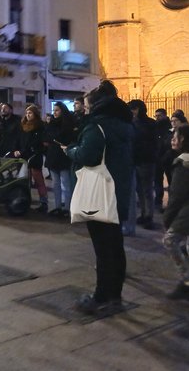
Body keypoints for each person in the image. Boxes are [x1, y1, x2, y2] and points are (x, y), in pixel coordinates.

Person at [66, 80, 134, 314]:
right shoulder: (124, 124)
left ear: (95, 105)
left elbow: (87, 155)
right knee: (115, 246)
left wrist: (71, 150)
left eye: (86, 105)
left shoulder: (97, 126)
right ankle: (115, 295)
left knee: (103, 249)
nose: (84, 109)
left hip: (99, 194)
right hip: (118, 190)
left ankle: (102, 296)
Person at [162, 123, 189, 300]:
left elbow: (176, 196)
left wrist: (168, 218)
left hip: (187, 212)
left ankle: (187, 280)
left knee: (170, 240)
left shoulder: (183, 163)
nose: (173, 138)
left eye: (177, 135)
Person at [128, 99, 157, 230]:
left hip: (146, 160)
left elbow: (154, 142)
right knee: (139, 189)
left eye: (133, 109)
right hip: (137, 159)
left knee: (147, 189)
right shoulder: (132, 123)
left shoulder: (149, 123)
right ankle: (144, 213)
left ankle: (149, 215)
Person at [14, 105, 48, 212]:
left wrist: (30, 150)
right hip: (23, 156)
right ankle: (25, 200)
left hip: (34, 156)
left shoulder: (40, 126)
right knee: (23, 179)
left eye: (30, 113)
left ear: (35, 114)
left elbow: (37, 142)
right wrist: (16, 149)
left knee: (38, 180)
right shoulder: (23, 125)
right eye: (27, 113)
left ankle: (44, 202)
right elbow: (19, 139)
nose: (28, 115)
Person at [45, 102, 76, 216]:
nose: (55, 113)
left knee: (65, 184)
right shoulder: (52, 123)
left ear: (62, 110)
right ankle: (58, 206)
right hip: (53, 156)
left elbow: (59, 136)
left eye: (57, 110)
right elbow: (47, 137)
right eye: (54, 110)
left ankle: (67, 208)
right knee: (55, 184)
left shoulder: (67, 124)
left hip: (63, 156)